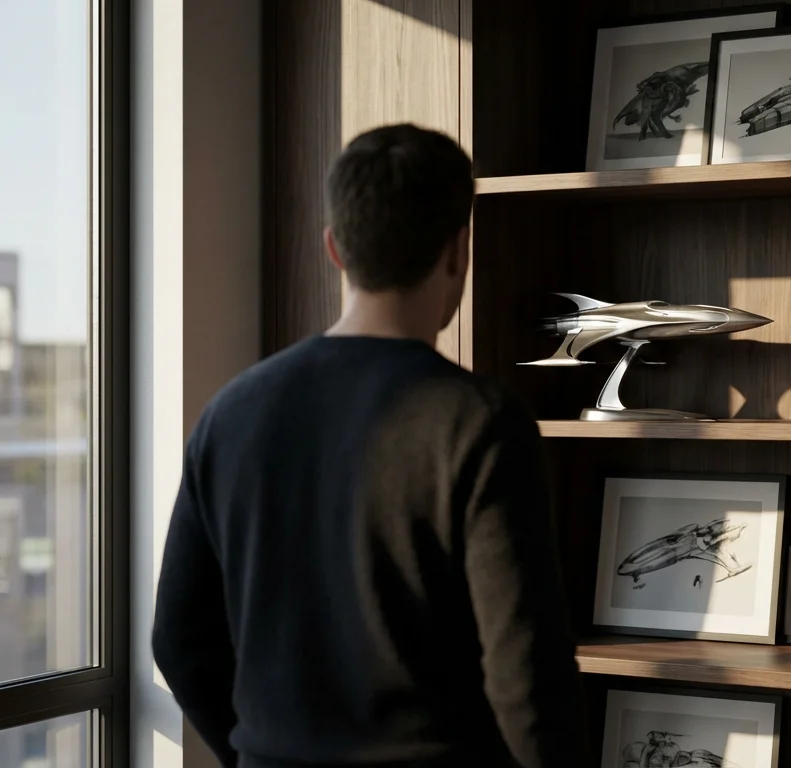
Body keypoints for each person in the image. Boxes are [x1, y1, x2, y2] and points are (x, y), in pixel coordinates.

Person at [152, 123, 585, 767]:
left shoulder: (231, 411)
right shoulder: (480, 422)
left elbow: (180, 641)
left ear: (334, 248)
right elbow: (527, 680)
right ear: (458, 252)